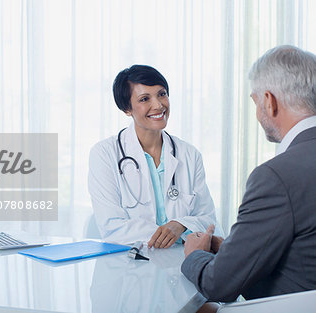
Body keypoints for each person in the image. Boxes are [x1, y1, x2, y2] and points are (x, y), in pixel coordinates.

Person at [181, 45, 316, 304]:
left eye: (255, 102)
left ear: (269, 101)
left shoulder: (276, 176)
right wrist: (233, 250)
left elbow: (217, 284)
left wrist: (194, 255)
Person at [88, 65, 218, 247]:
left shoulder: (189, 154)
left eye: (162, 94)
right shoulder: (104, 154)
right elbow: (111, 227)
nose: (158, 105)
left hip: (181, 262)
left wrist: (180, 225)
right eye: (144, 99)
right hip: (130, 265)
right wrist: (168, 233)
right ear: (127, 108)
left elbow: (208, 219)